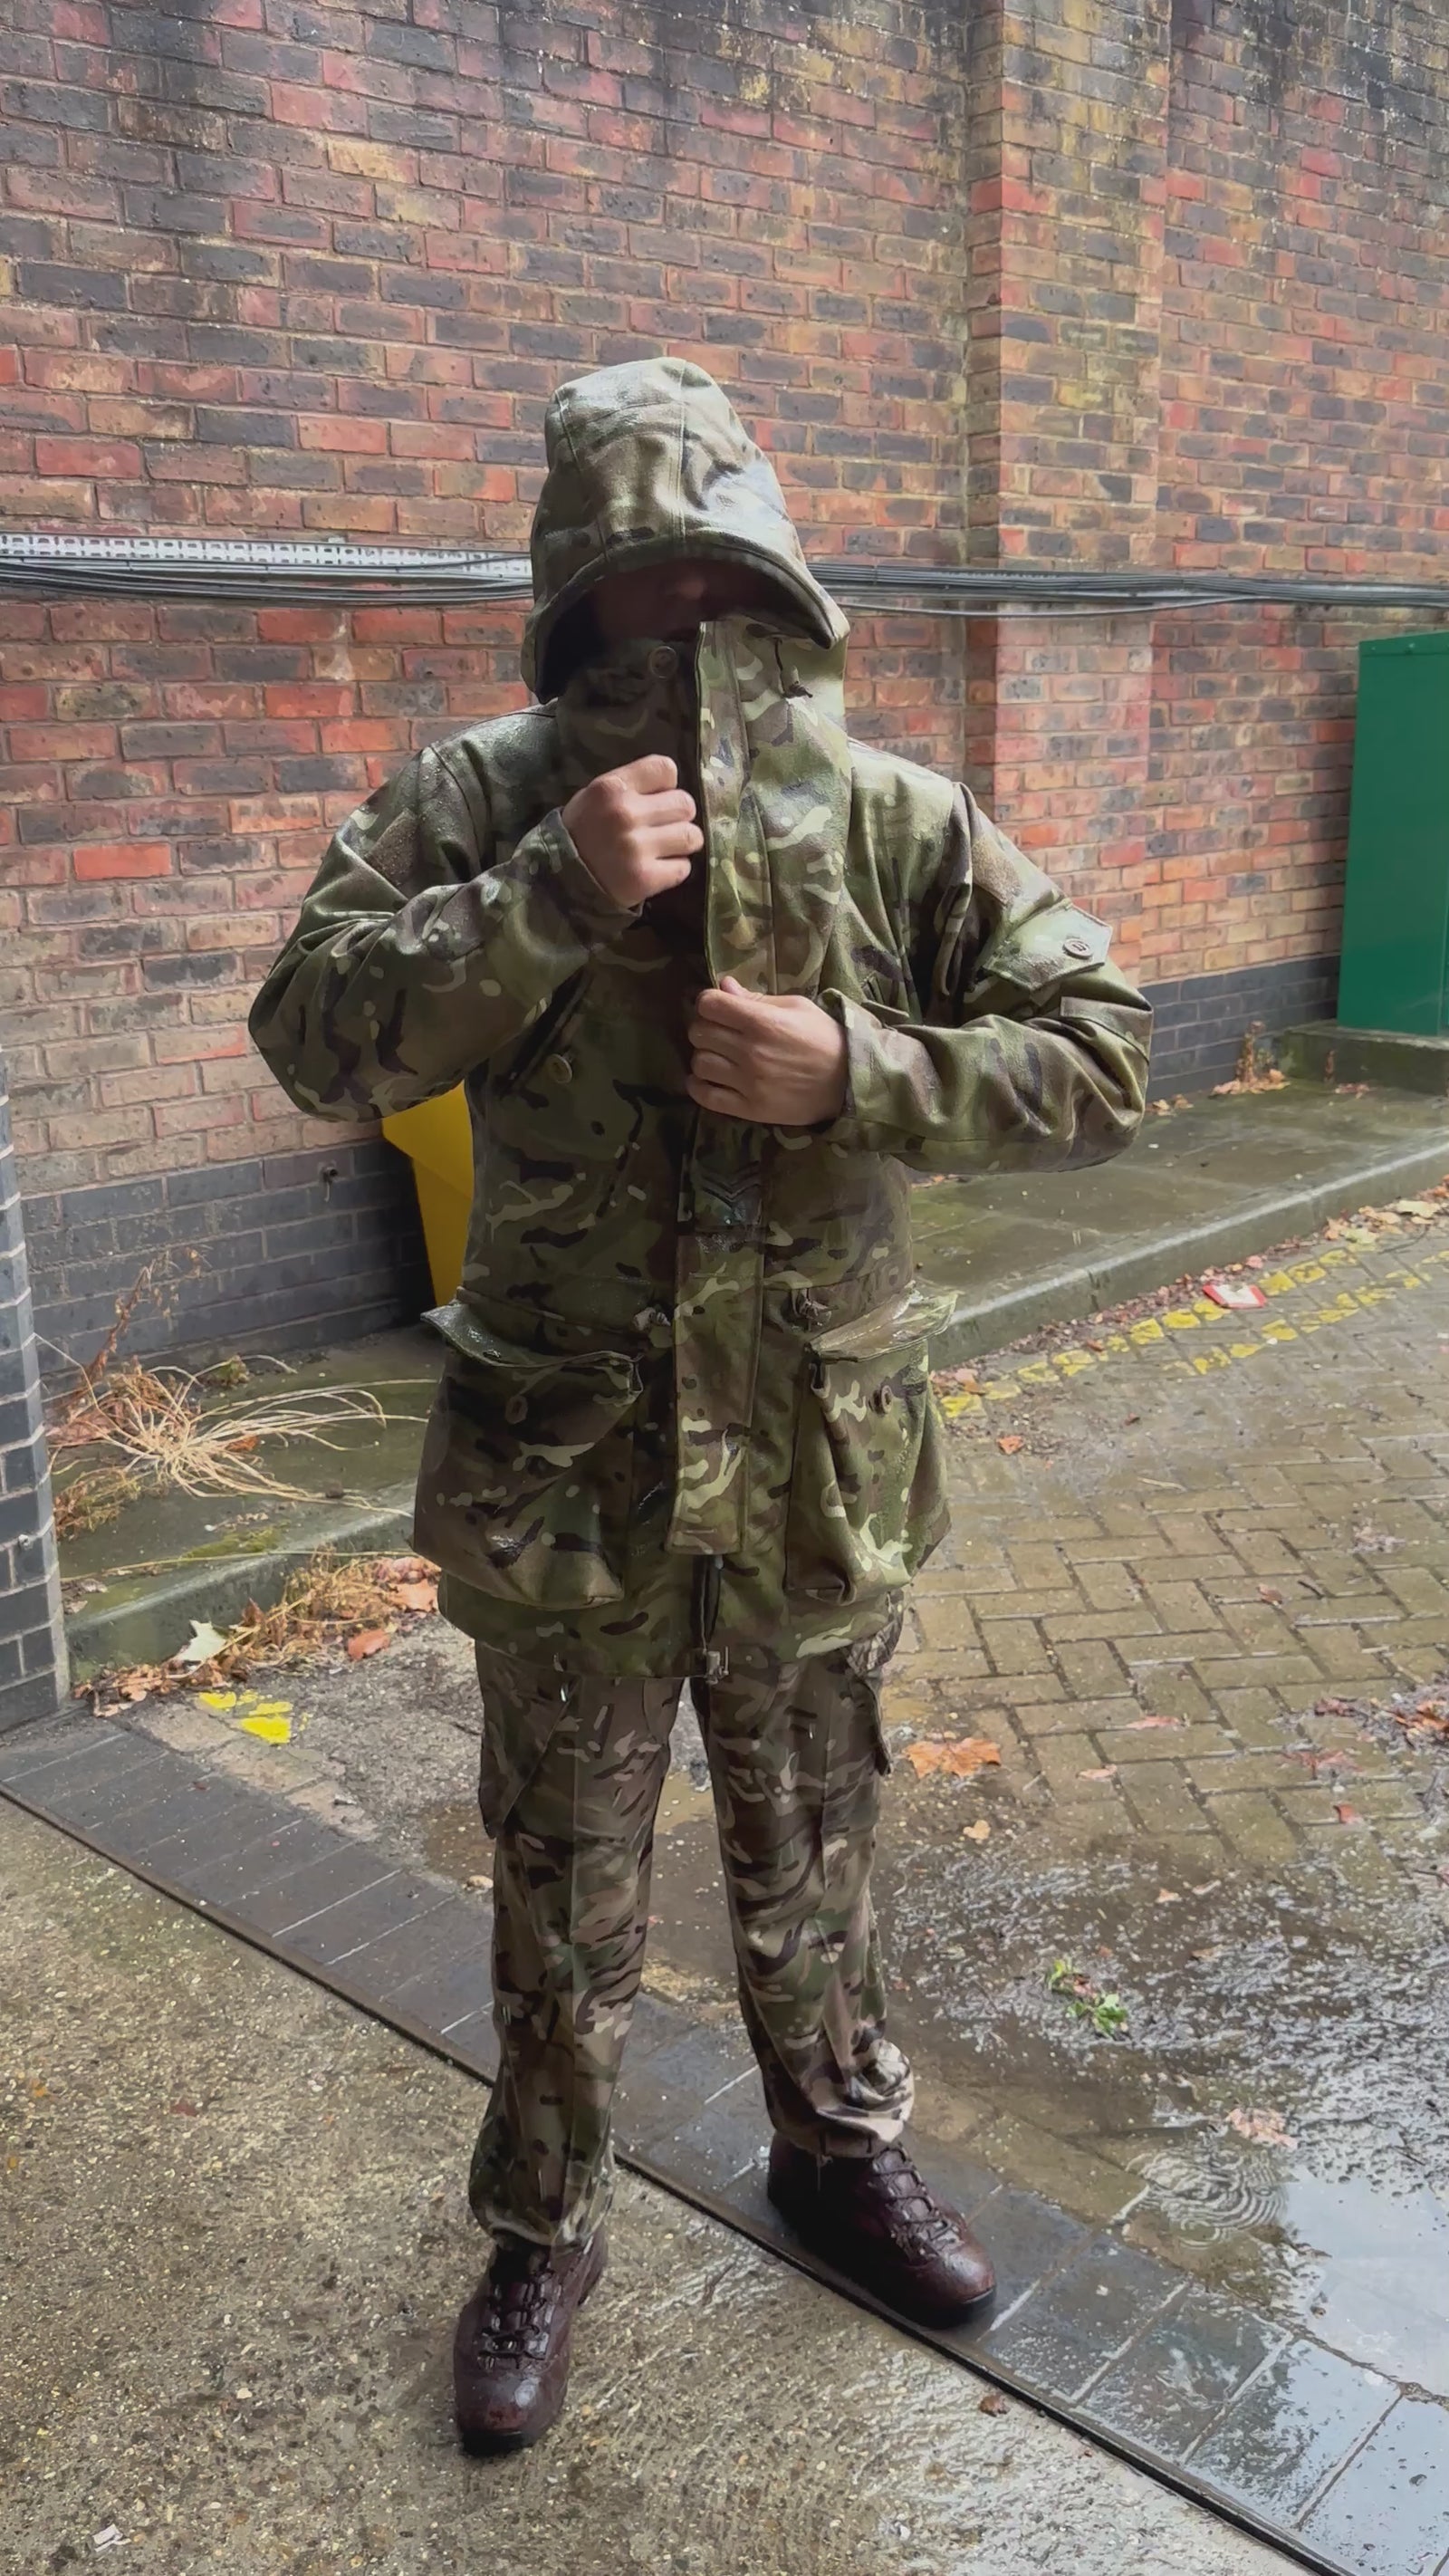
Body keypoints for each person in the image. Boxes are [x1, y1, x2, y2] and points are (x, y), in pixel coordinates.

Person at [250, 358, 1151, 2453]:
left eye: (712, 580)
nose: (677, 625)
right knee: (558, 1873)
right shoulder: (480, 798)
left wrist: (862, 1070)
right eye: (633, 585)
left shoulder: (890, 817)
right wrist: (547, 894)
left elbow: (1101, 1058)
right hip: (569, 1473)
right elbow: (312, 1038)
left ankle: (834, 2156)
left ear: (773, 582)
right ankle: (543, 2224)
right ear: (571, 597)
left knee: (816, 1837)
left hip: (812, 1465)